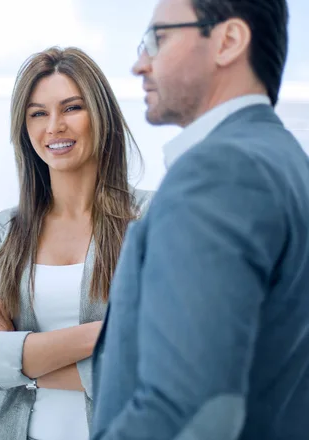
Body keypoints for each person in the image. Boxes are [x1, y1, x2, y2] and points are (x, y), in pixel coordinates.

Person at [91, 0, 309, 439]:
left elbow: (192, 412)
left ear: (227, 41)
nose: (139, 64)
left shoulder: (220, 171)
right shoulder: (287, 162)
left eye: (159, 38)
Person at [0, 46, 152, 440]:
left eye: (71, 108)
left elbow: (158, 363)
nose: (54, 126)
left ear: (101, 115)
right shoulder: (2, 231)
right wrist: (109, 332)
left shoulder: (152, 219)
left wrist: (17, 359)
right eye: (38, 113)